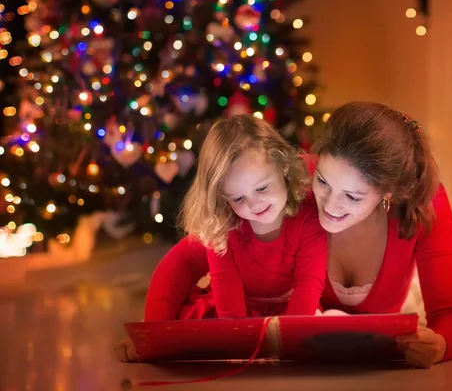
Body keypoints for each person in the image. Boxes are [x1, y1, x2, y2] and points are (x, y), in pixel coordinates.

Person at [114, 115, 327, 361]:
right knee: (190, 342)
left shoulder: (308, 215)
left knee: (320, 338)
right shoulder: (224, 225)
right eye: (237, 198)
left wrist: (291, 341)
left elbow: (308, 284)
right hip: (233, 309)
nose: (254, 204)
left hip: (291, 308)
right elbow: (227, 299)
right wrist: (234, 341)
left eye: (261, 188)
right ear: (222, 197)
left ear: (283, 168)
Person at [307, 101, 452, 368]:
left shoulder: (425, 203)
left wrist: (439, 346)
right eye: (323, 181)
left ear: (388, 193)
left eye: (352, 196)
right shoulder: (295, 185)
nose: (329, 204)